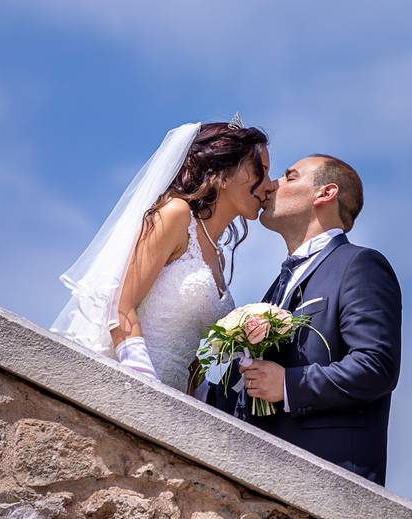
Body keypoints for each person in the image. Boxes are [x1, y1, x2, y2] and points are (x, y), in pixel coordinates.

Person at [206, 155, 402, 487]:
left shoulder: (360, 265)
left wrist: (287, 385)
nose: (271, 185)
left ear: (325, 193)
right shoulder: (274, 290)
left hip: (328, 478)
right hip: (257, 475)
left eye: (290, 177)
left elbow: (376, 365)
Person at [51, 118, 275, 397]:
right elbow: (120, 306)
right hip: (129, 386)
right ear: (225, 172)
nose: (270, 185)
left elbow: (193, 356)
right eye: (261, 171)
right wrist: (144, 383)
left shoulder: (219, 257)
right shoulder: (175, 215)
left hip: (175, 402)